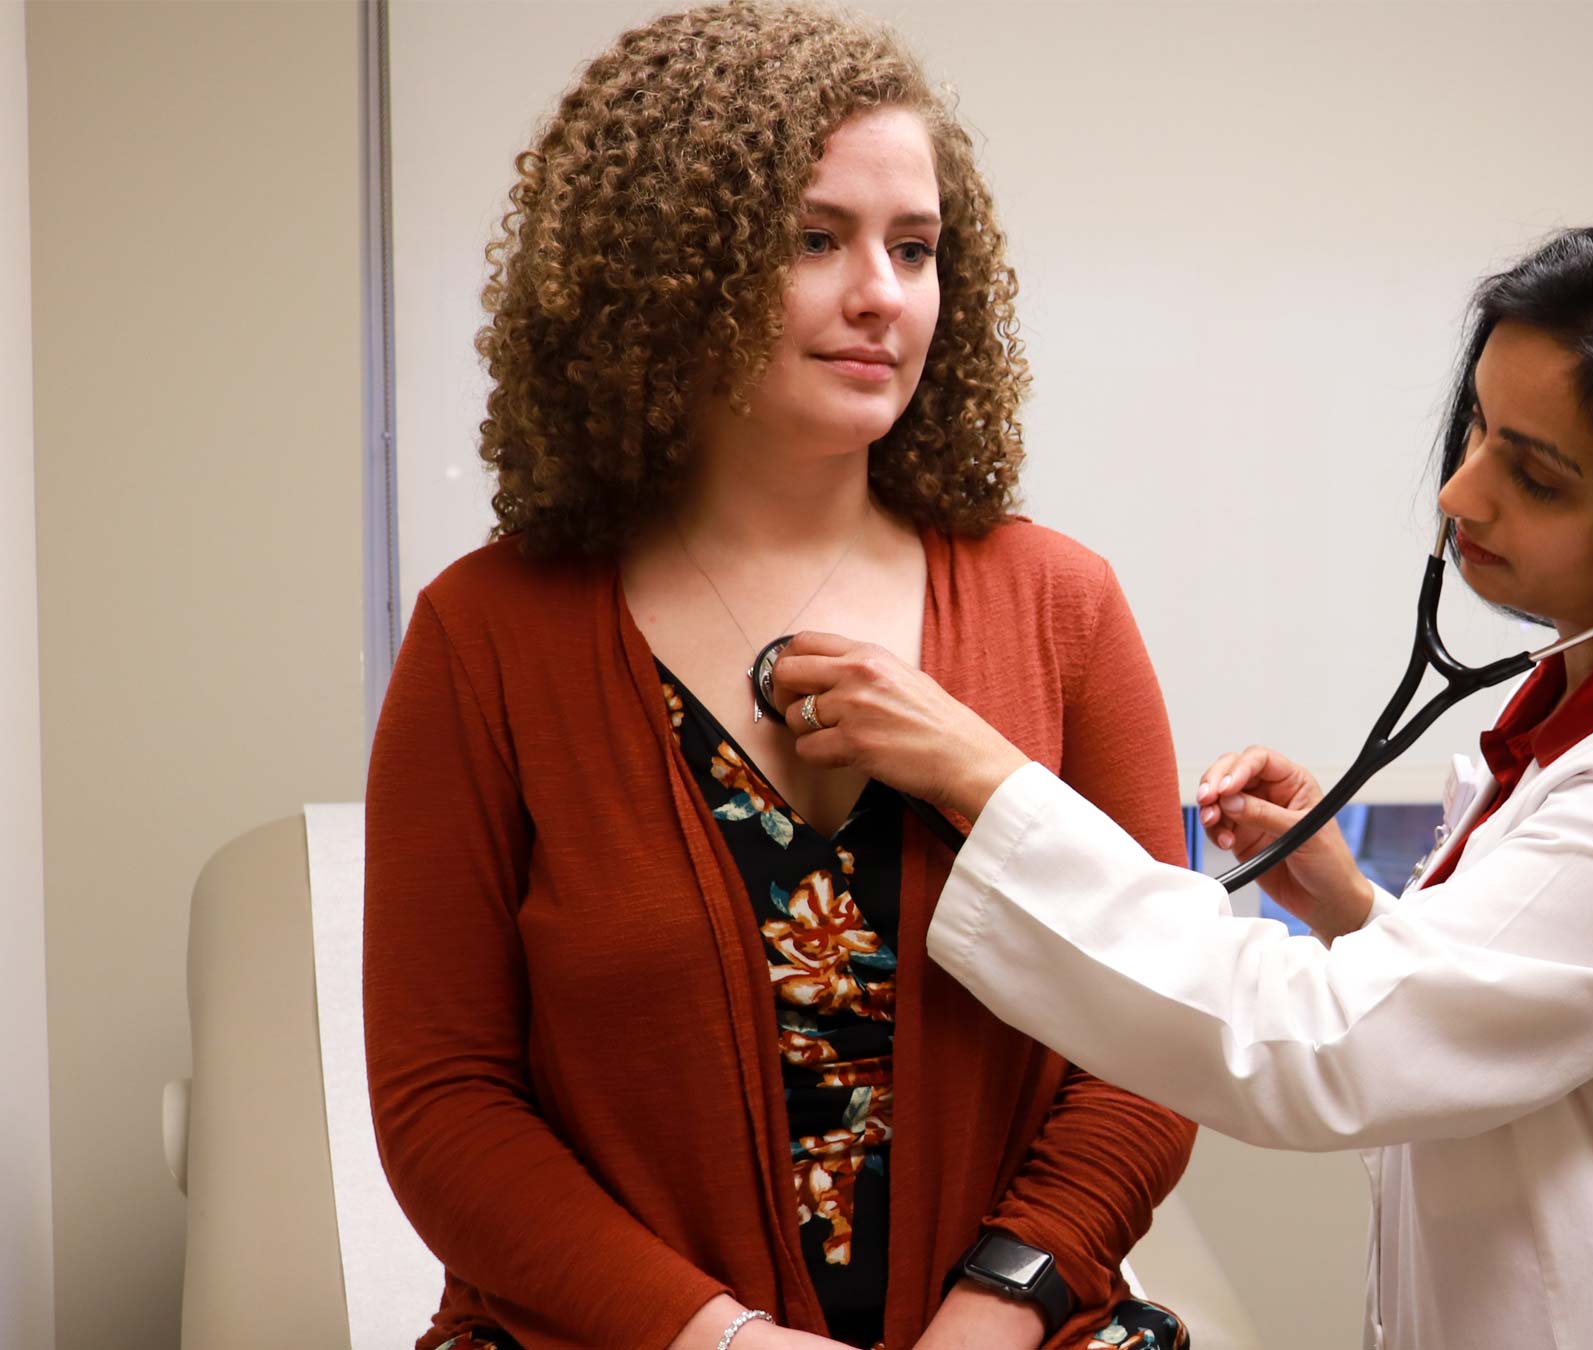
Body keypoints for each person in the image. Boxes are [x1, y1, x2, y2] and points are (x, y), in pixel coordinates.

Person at [769, 204, 1593, 1348]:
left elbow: (1327, 1051)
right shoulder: (1582, 722)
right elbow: (1506, 1035)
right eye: (1477, 428)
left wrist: (981, 773)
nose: (1460, 494)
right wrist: (1356, 913)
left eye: (1537, 475)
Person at [362, 6, 1195, 1349]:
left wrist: (997, 1307)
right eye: (815, 240)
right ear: (665, 265)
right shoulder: (487, 636)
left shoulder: (1060, 607)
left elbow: (1157, 1031)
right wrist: (720, 1340)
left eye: (915, 249)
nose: (882, 292)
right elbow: (442, 1101)